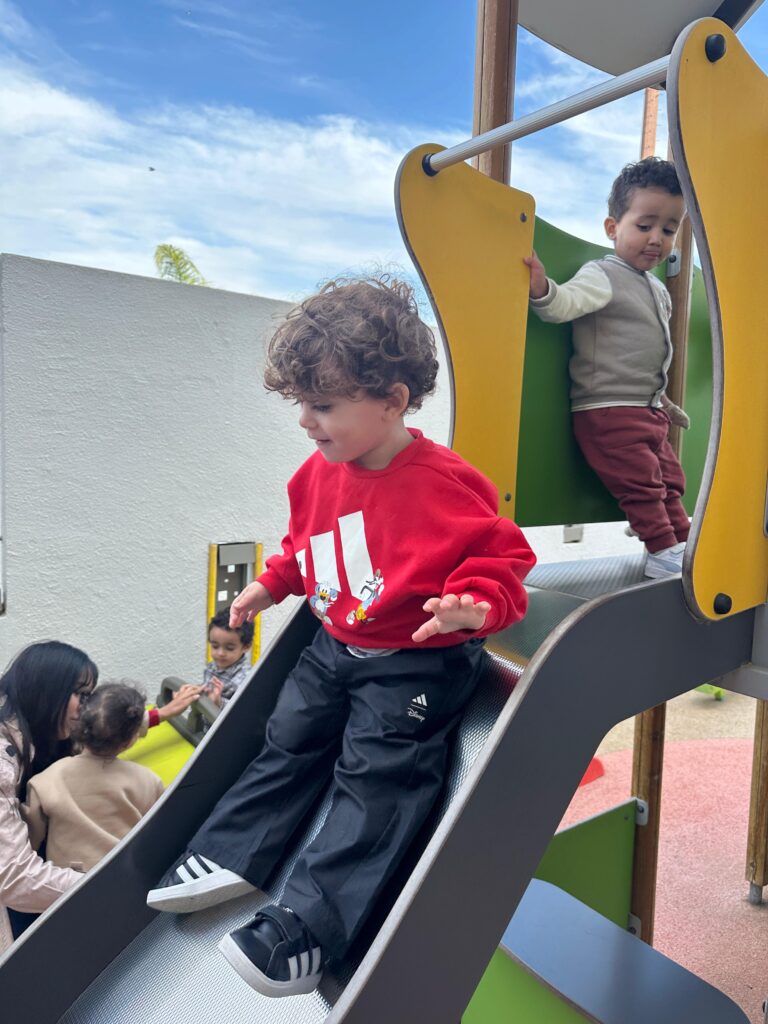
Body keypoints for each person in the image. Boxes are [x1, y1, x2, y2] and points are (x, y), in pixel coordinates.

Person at [147, 274, 536, 998]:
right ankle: (234, 850)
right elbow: (309, 547)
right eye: (301, 403)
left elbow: (503, 557)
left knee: (378, 780)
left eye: (322, 405)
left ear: (391, 400)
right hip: (334, 645)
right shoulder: (317, 474)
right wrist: (272, 584)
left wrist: (473, 607)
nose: (306, 421)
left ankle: (309, 928)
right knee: (288, 736)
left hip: (416, 661)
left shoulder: (445, 485)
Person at [525, 156, 690, 579]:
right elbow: (564, 305)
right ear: (613, 228)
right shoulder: (603, 274)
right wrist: (542, 288)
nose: (656, 238)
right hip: (608, 411)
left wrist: (664, 402)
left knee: (670, 479)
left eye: (668, 229)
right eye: (644, 225)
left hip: (646, 411)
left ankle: (683, 542)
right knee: (643, 484)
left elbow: (645, 358)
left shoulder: (657, 288)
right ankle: (661, 551)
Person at [0, 640, 98, 953]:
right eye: (80, 695)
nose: (85, 708)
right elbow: (15, 877)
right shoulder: (3, 759)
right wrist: (102, 885)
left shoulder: (34, 740)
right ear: (48, 691)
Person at [22, 683, 164, 873]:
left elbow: (28, 842)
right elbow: (160, 836)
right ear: (130, 740)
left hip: (65, 882)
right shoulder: (149, 781)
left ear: (81, 723)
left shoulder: (46, 779)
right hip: (125, 877)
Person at [202, 608, 254, 707]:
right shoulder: (212, 666)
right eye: (215, 646)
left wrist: (219, 702)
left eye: (229, 648)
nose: (220, 653)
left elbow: (243, 709)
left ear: (246, 646)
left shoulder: (245, 678)